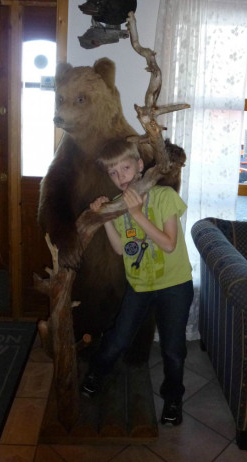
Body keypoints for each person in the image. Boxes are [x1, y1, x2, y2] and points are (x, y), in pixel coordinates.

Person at [81, 138, 194, 426]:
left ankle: (173, 398)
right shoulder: (119, 205)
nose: (121, 177)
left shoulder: (164, 196)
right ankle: (96, 373)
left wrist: (137, 214)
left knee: (173, 349)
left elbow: (168, 244)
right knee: (118, 338)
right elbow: (121, 248)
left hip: (174, 285)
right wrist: (106, 216)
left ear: (140, 165)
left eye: (126, 168)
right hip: (140, 285)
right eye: (113, 172)